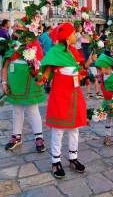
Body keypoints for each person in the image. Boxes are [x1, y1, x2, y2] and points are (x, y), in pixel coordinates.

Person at [37, 22, 87, 179]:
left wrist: (83, 72)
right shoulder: (55, 51)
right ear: (66, 37)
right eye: (73, 33)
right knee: (58, 128)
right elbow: (48, 69)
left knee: (74, 127)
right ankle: (55, 161)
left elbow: (76, 69)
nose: (75, 36)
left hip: (74, 93)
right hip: (60, 94)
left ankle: (73, 158)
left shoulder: (71, 51)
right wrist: (42, 78)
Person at [1, 18, 46, 153]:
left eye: (18, 26)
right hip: (14, 81)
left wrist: (40, 77)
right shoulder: (11, 45)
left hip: (30, 80)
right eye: (13, 26)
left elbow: (40, 64)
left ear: (26, 29)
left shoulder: (33, 43)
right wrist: (4, 82)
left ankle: (39, 137)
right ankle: (16, 136)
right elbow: (5, 65)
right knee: (17, 109)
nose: (15, 28)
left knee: (32, 109)